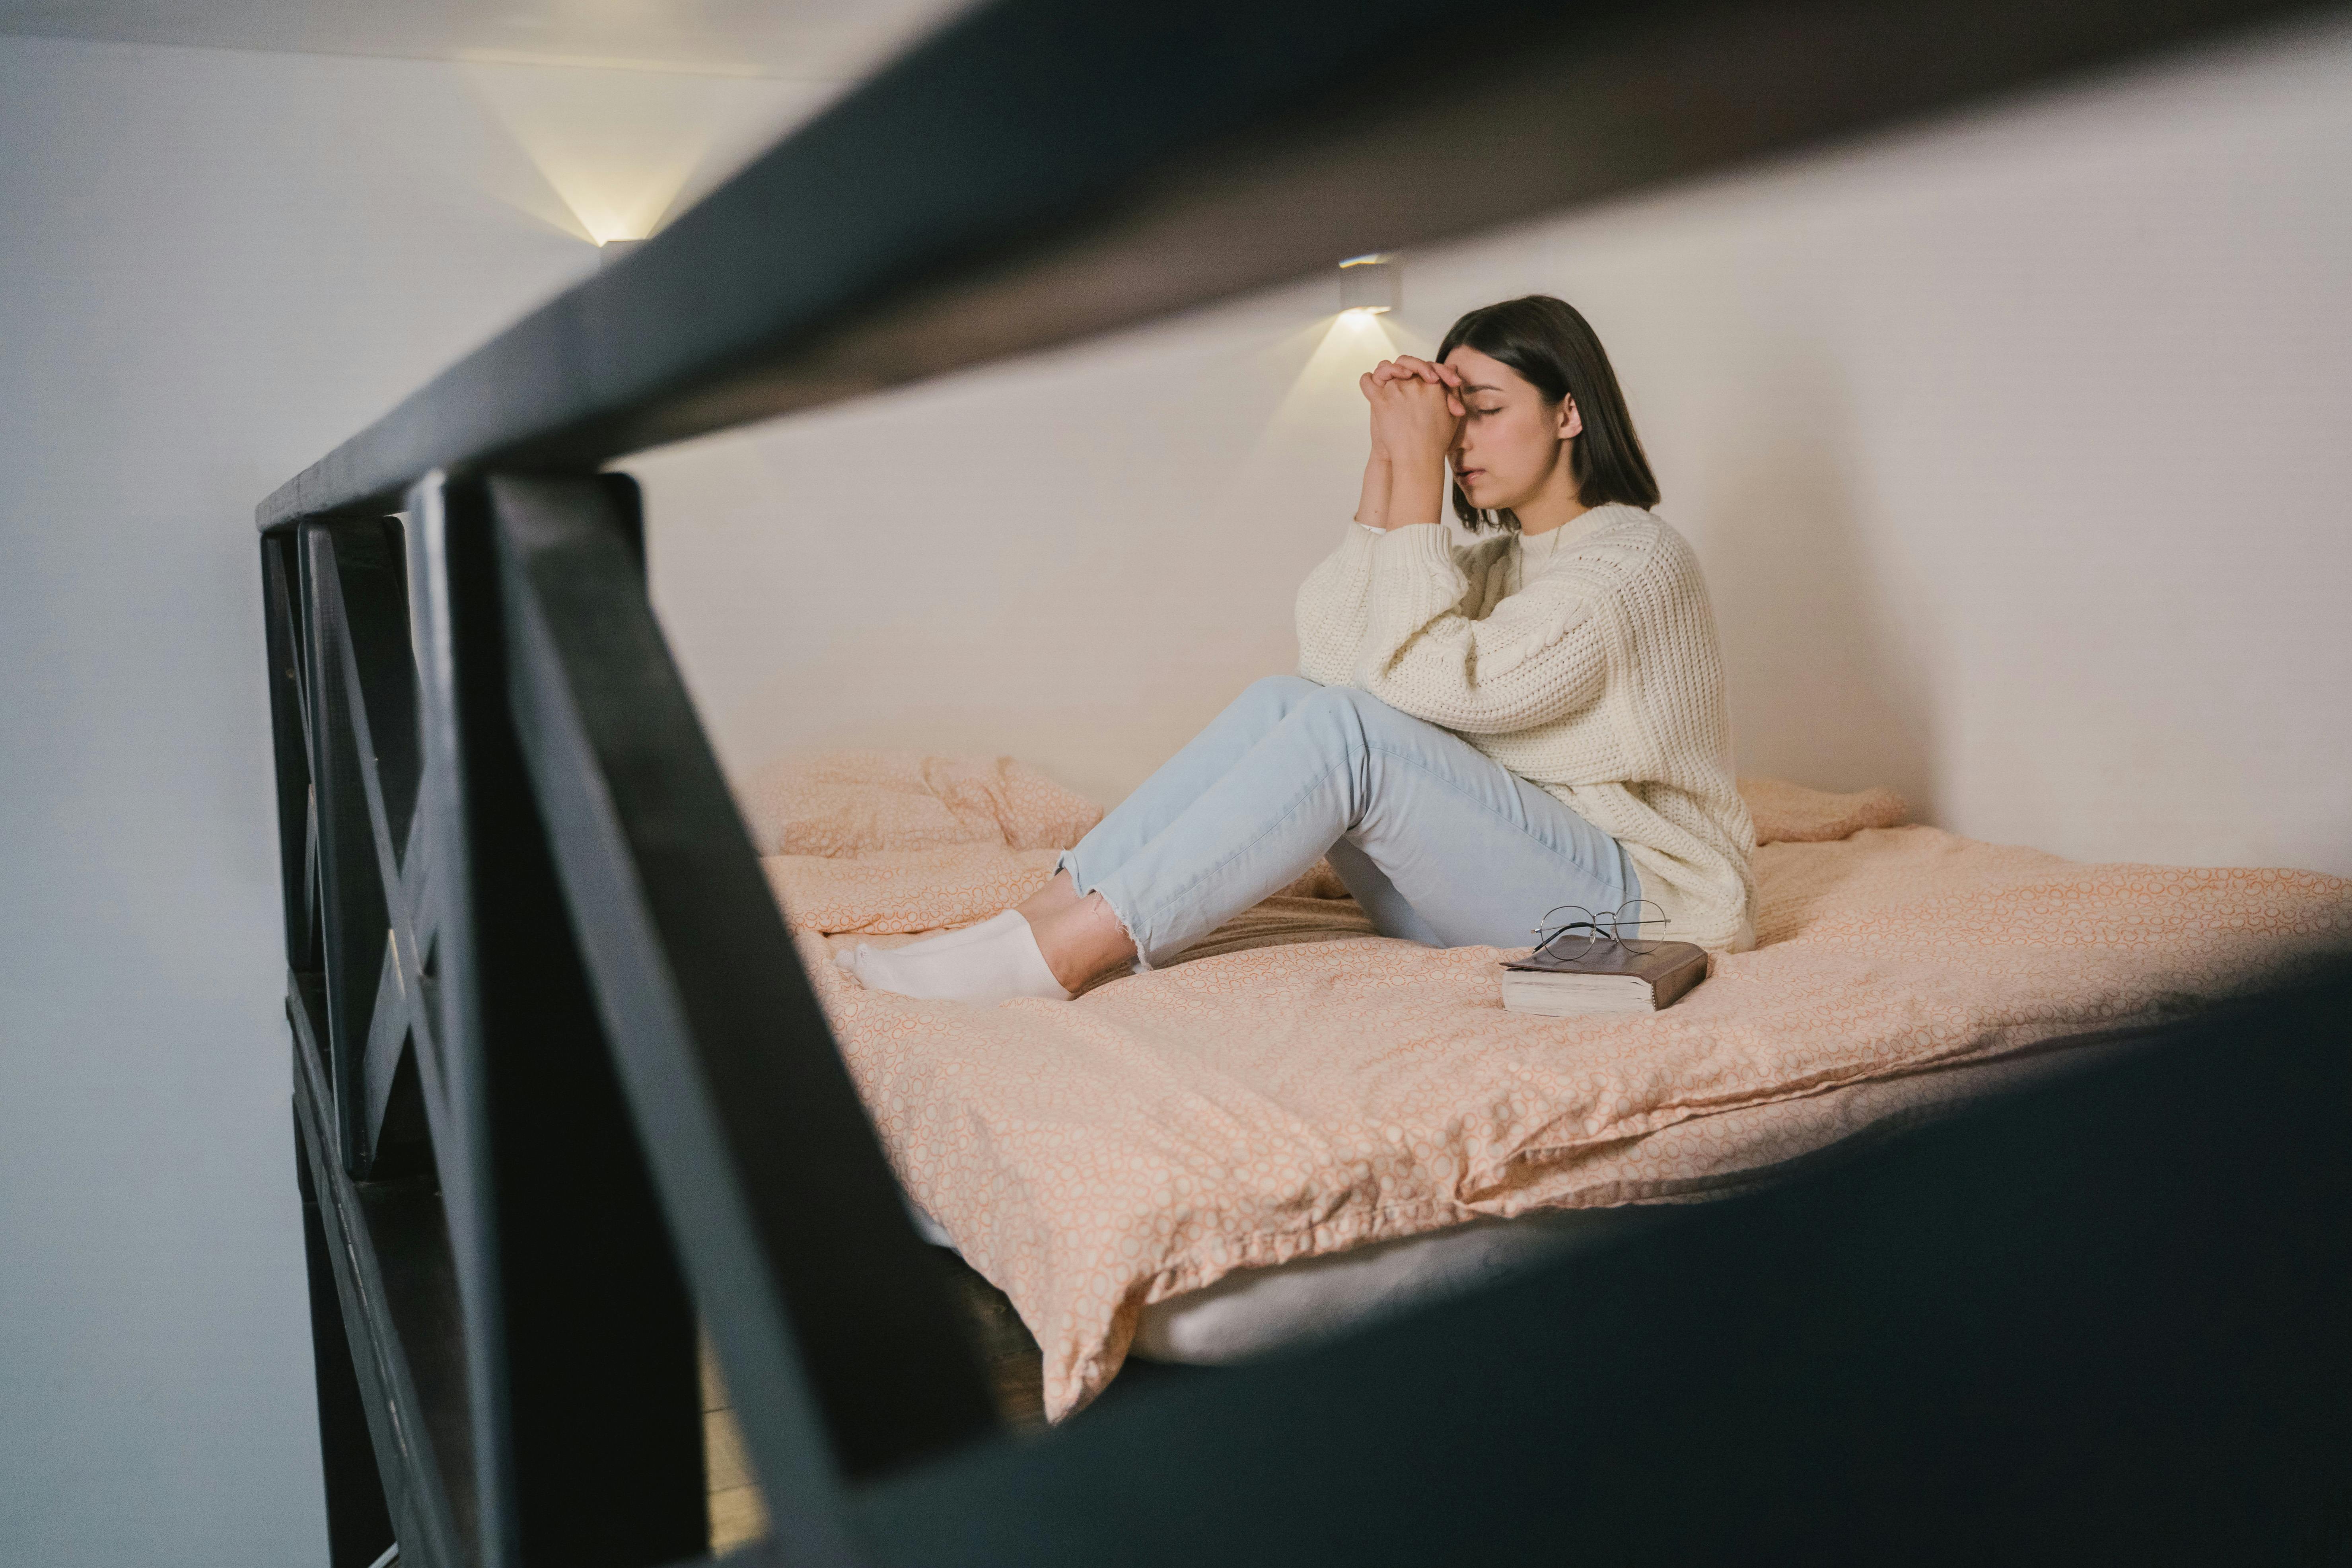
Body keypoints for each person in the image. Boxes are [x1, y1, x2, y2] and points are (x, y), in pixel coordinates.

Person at [840, 294, 1755, 1006]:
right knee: (1288, 702)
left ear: (1566, 415)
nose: (1459, 442)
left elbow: (1423, 684)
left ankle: (1064, 956)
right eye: (1452, 421)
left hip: (1631, 914)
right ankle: (1038, 917)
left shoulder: (1635, 560)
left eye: (1481, 410)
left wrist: (1419, 486)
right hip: (1502, 897)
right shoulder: (1491, 561)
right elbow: (1330, 656)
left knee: (1347, 731)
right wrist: (1389, 461)